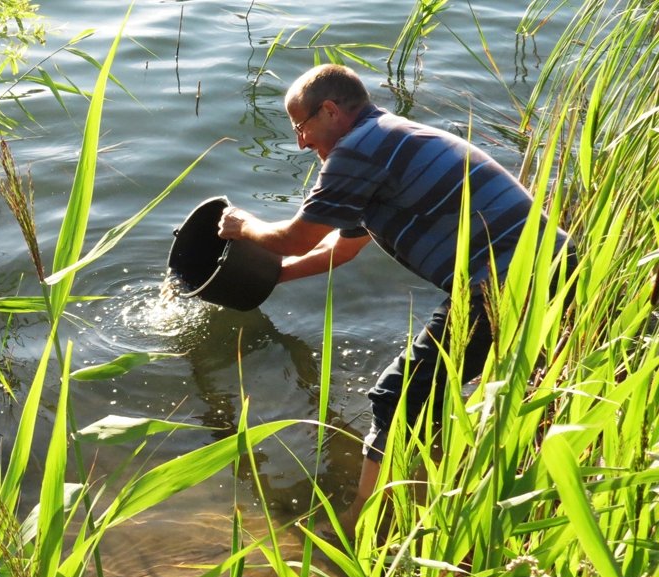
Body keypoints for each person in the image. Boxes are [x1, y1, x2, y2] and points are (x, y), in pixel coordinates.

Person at [217, 64, 576, 532]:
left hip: (508, 283)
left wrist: (242, 226)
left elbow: (297, 237)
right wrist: (269, 280)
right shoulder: (386, 139)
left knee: (398, 394)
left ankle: (366, 522)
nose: (302, 143)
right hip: (550, 269)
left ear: (329, 111)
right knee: (464, 387)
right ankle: (442, 493)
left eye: (301, 127)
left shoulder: (358, 150)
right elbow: (340, 248)